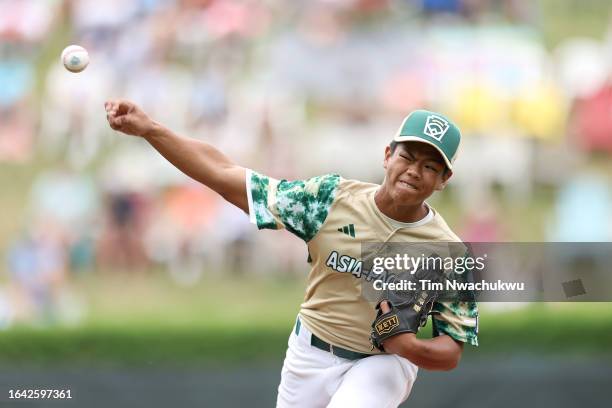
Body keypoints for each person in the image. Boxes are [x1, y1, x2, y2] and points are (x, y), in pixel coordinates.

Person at [104, 100, 478, 407]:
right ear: (387, 155)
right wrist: (151, 129)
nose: (414, 171)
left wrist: (408, 346)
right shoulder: (329, 200)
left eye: (430, 166)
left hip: (385, 362)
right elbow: (224, 174)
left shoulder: (448, 253)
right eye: (408, 156)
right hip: (310, 353)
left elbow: (451, 350)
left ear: (444, 180)